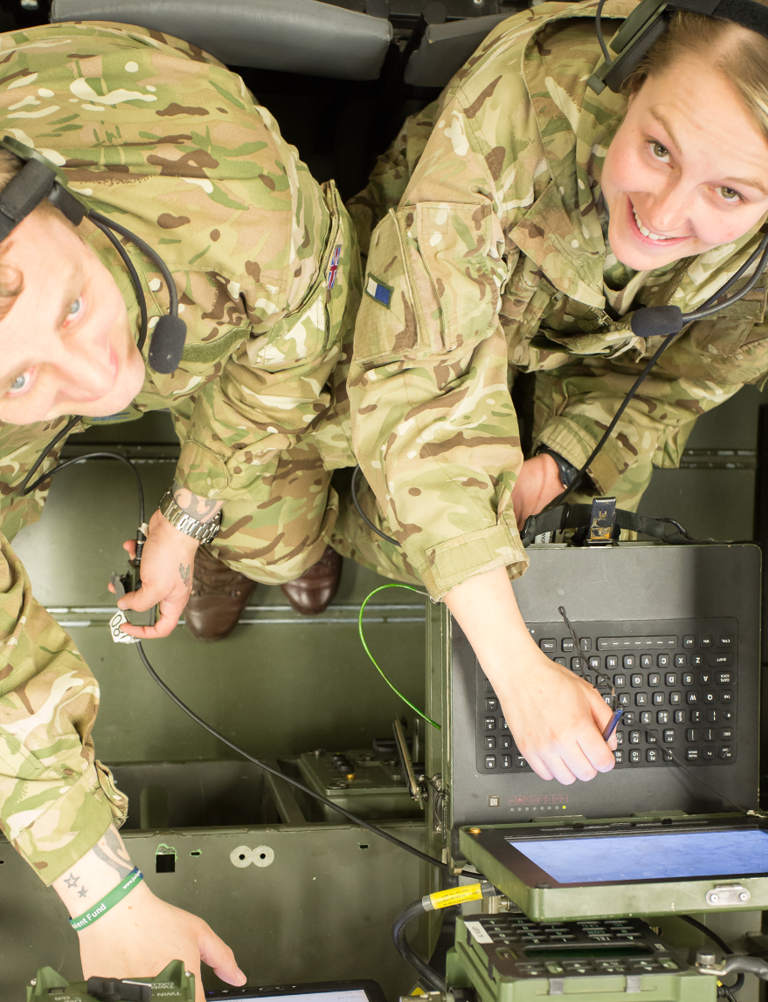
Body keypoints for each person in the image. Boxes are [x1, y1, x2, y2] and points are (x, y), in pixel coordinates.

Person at [0, 17, 359, 996]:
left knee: (279, 539)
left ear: (53, 204)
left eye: (68, 307)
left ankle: (251, 544)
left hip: (204, 303)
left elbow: (301, 326)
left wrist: (193, 511)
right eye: (20, 375)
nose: (96, 385)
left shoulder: (229, 192)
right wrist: (103, 899)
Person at [333, 0, 768, 788]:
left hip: (602, 340)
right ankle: (286, 537)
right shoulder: (523, 104)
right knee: (342, 440)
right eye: (659, 148)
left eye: (731, 194)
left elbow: (684, 378)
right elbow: (421, 385)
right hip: (443, 275)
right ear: (632, 77)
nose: (666, 213)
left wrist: (562, 463)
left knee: (565, 534)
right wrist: (519, 675)